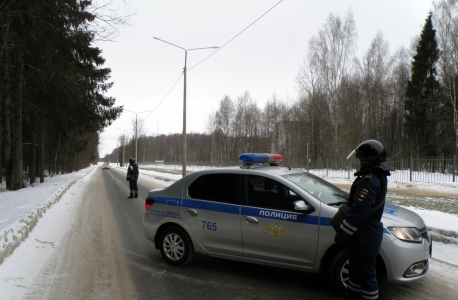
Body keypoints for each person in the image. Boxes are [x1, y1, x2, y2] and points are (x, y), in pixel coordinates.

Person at [334, 140, 394, 300]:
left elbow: (358, 211)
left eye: (361, 158)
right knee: (355, 274)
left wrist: (342, 235)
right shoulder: (378, 176)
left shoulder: (368, 180)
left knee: (367, 278)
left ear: (369, 159)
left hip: (365, 235)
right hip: (367, 234)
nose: (359, 162)